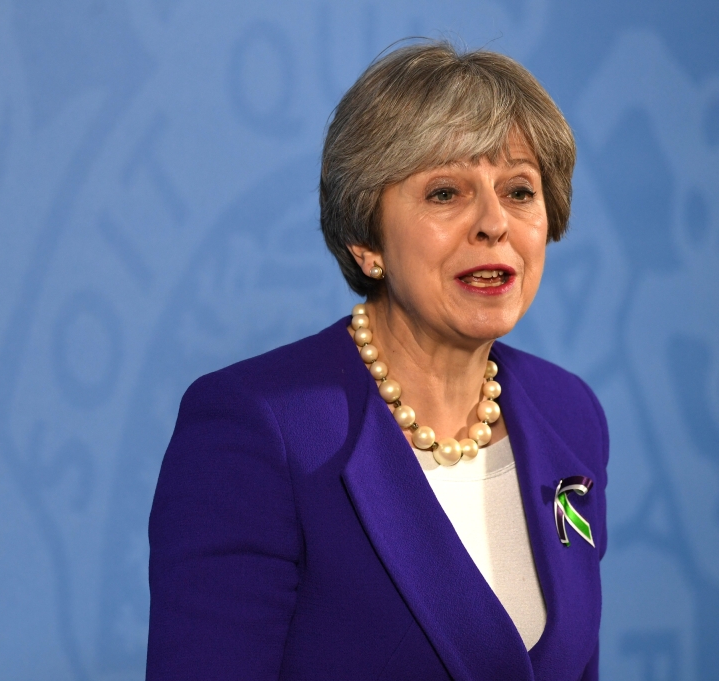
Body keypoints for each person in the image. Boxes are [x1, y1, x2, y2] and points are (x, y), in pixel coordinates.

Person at [146, 40, 608, 681]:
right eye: (446, 192)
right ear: (367, 241)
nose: (494, 223)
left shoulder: (570, 414)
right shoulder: (257, 430)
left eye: (520, 190)